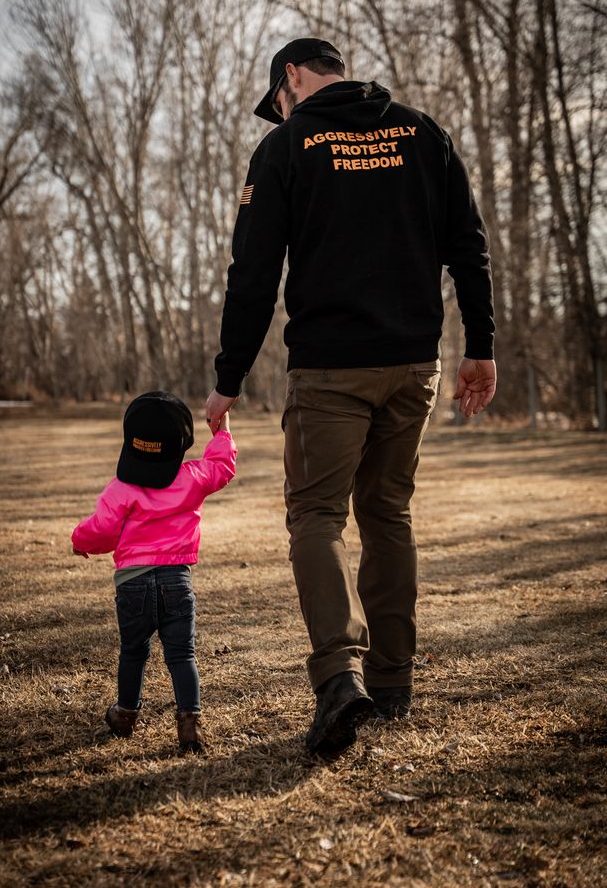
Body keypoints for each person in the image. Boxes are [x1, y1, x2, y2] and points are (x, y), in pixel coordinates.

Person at [206, 37, 496, 755]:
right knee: (388, 513)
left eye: (279, 101)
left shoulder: (287, 147)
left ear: (293, 77)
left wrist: (227, 377)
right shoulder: (423, 133)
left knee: (317, 515)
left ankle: (341, 678)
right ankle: (393, 683)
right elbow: (469, 245)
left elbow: (252, 274)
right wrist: (480, 347)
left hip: (330, 370)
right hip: (413, 365)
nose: (282, 113)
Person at [71, 390, 237, 753]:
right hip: (177, 581)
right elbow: (222, 467)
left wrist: (80, 541)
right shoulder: (191, 477)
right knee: (182, 654)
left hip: (133, 583)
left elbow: (101, 529)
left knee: (133, 651)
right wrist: (222, 430)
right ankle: (190, 723)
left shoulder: (121, 488)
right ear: (180, 444)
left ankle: (125, 713)